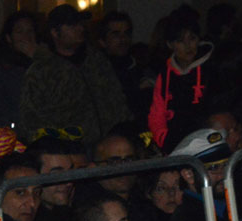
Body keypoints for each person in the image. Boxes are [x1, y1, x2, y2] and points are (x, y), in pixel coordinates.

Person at [18, 4, 131, 147]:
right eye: (71, 25)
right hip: (72, 152)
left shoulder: (96, 60)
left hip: (111, 146)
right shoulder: (42, 71)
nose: (80, 29)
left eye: (80, 23)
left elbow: (117, 99)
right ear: (55, 32)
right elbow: (31, 120)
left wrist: (126, 131)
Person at [148, 7, 218, 151]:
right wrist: (164, 140)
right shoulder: (165, 76)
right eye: (180, 41)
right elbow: (157, 115)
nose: (188, 46)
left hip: (209, 143)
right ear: (170, 44)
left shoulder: (212, 69)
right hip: (175, 148)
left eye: (192, 38)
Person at [0, 11, 38, 129]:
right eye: (20, 32)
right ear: (9, 38)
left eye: (30, 31)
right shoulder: (0, 70)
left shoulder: (44, 63)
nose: (26, 36)